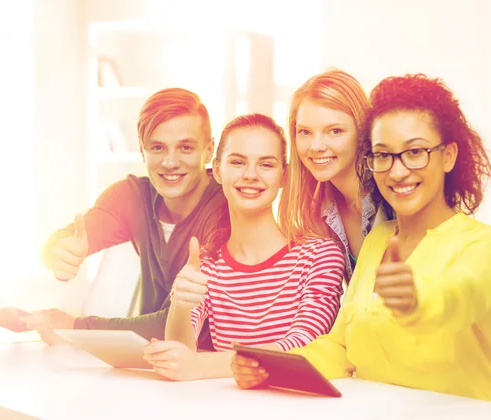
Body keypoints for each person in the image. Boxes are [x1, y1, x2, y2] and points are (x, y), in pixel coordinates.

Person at [232, 74, 491, 407]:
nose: (398, 171)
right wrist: (271, 367)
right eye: (383, 155)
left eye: (415, 152)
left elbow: (460, 297)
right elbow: (341, 347)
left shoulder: (489, 243)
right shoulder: (377, 240)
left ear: (448, 156)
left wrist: (417, 300)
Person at [143, 114, 345, 380]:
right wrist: (180, 305)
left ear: (283, 175)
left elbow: (304, 345)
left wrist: (201, 365)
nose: (251, 175)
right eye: (237, 162)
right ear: (217, 170)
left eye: (266, 164)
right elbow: (181, 354)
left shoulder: (320, 255)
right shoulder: (205, 265)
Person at [22, 88, 227, 350]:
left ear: (208, 151)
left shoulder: (226, 209)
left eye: (186, 147)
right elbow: (69, 236)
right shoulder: (132, 197)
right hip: (147, 367)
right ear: (142, 151)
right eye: (157, 147)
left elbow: (173, 326)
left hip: (207, 375)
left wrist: (76, 328)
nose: (170, 162)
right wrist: (57, 252)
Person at [278, 68, 392, 282]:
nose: (316, 146)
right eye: (305, 132)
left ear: (362, 131)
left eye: (335, 131)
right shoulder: (316, 213)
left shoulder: (393, 196)